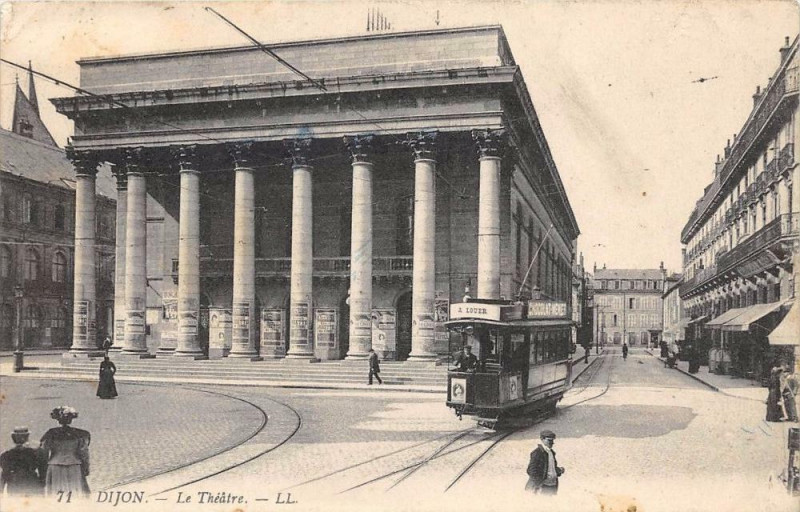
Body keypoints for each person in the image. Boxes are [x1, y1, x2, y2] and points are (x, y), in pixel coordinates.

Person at [40, 406, 91, 497]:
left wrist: (43, 468)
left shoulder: (50, 434)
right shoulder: (80, 434)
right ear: (71, 420)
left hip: (55, 465)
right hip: (74, 465)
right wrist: (86, 467)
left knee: (56, 493)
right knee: (75, 492)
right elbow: (84, 453)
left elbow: (43, 451)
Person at [0, 427, 45, 497]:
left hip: (14, 485)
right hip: (32, 484)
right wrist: (42, 485)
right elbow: (42, 472)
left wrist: (1, 490)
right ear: (27, 437)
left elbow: (4, 474)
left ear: (13, 438)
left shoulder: (6, 455)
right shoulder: (35, 453)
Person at [525, 430, 564, 495]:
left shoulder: (551, 452)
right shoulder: (537, 453)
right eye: (549, 440)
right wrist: (538, 484)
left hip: (552, 486)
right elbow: (531, 470)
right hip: (542, 487)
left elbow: (549, 469)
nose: (552, 443)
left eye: (552, 440)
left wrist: (559, 470)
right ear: (542, 439)